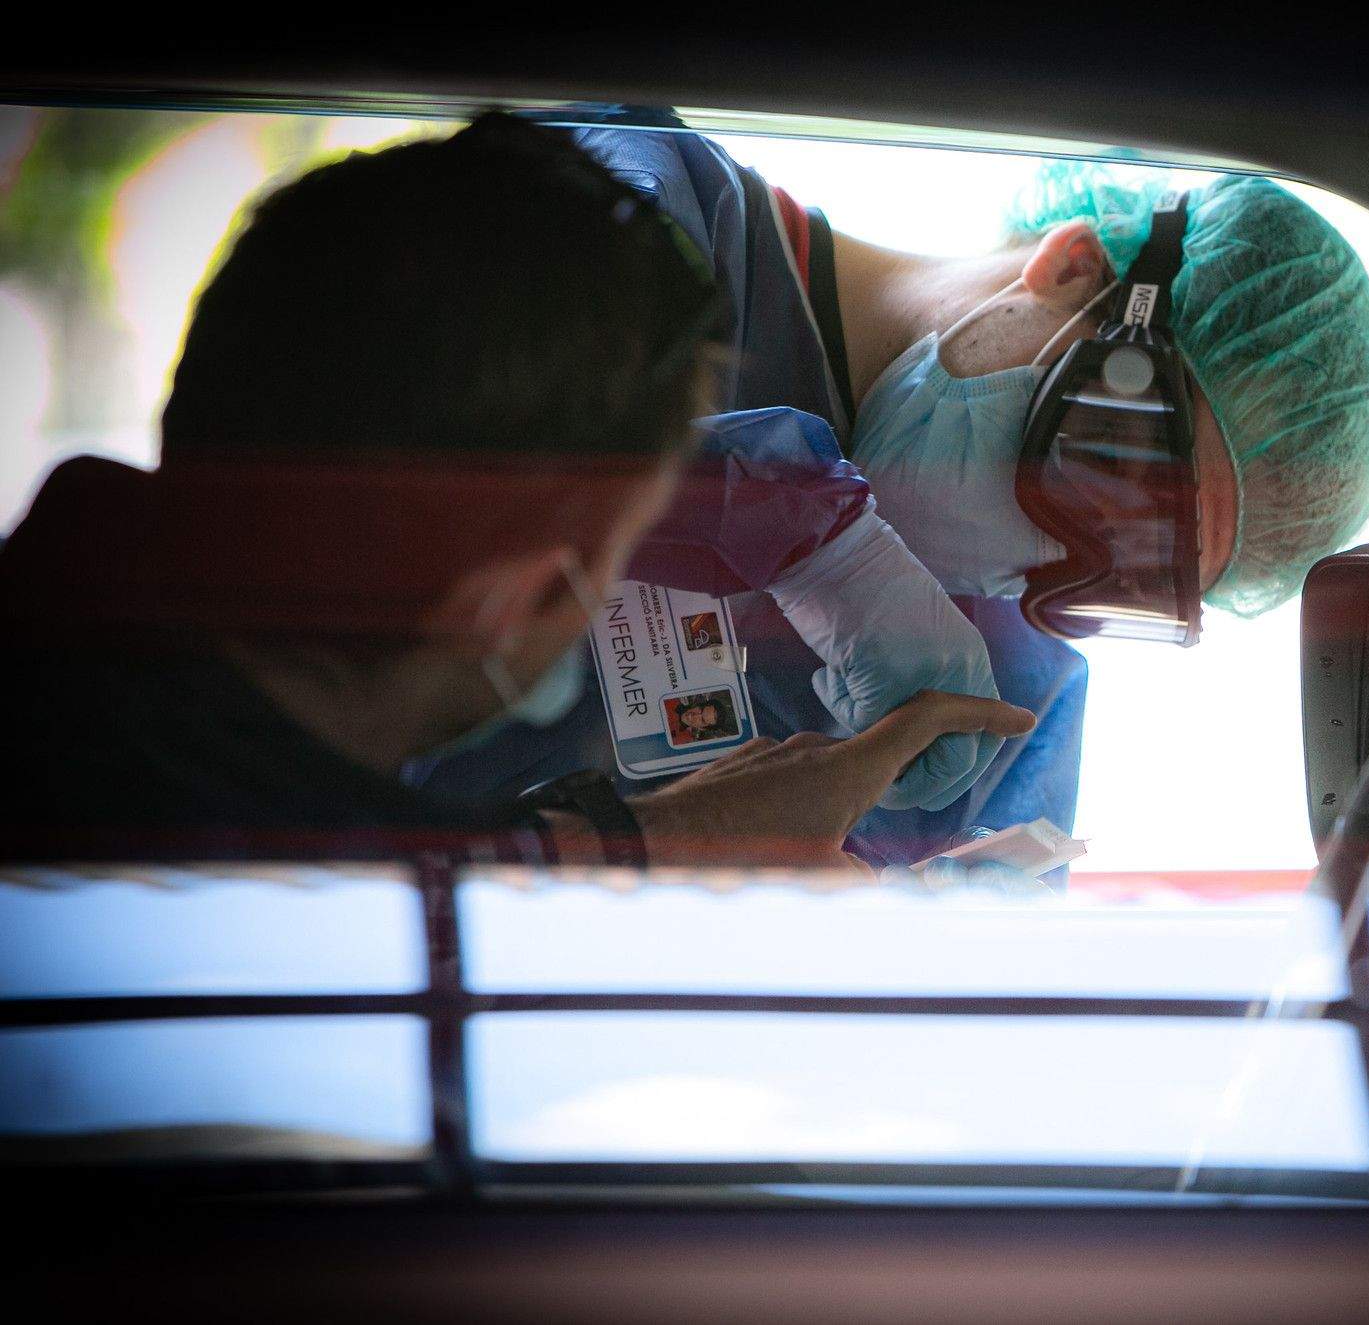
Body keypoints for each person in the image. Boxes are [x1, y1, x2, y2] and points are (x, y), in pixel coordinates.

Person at [0, 116, 1030, 870]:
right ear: (504, 607)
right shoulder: (308, 966)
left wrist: (639, 844)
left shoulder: (61, 681)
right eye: (624, 551)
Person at [418, 124, 1369, 866]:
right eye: (1110, 470)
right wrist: (798, 529)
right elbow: (405, 463)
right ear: (1070, 270)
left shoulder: (1000, 706)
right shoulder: (645, 212)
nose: (1052, 554)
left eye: (1131, 577)